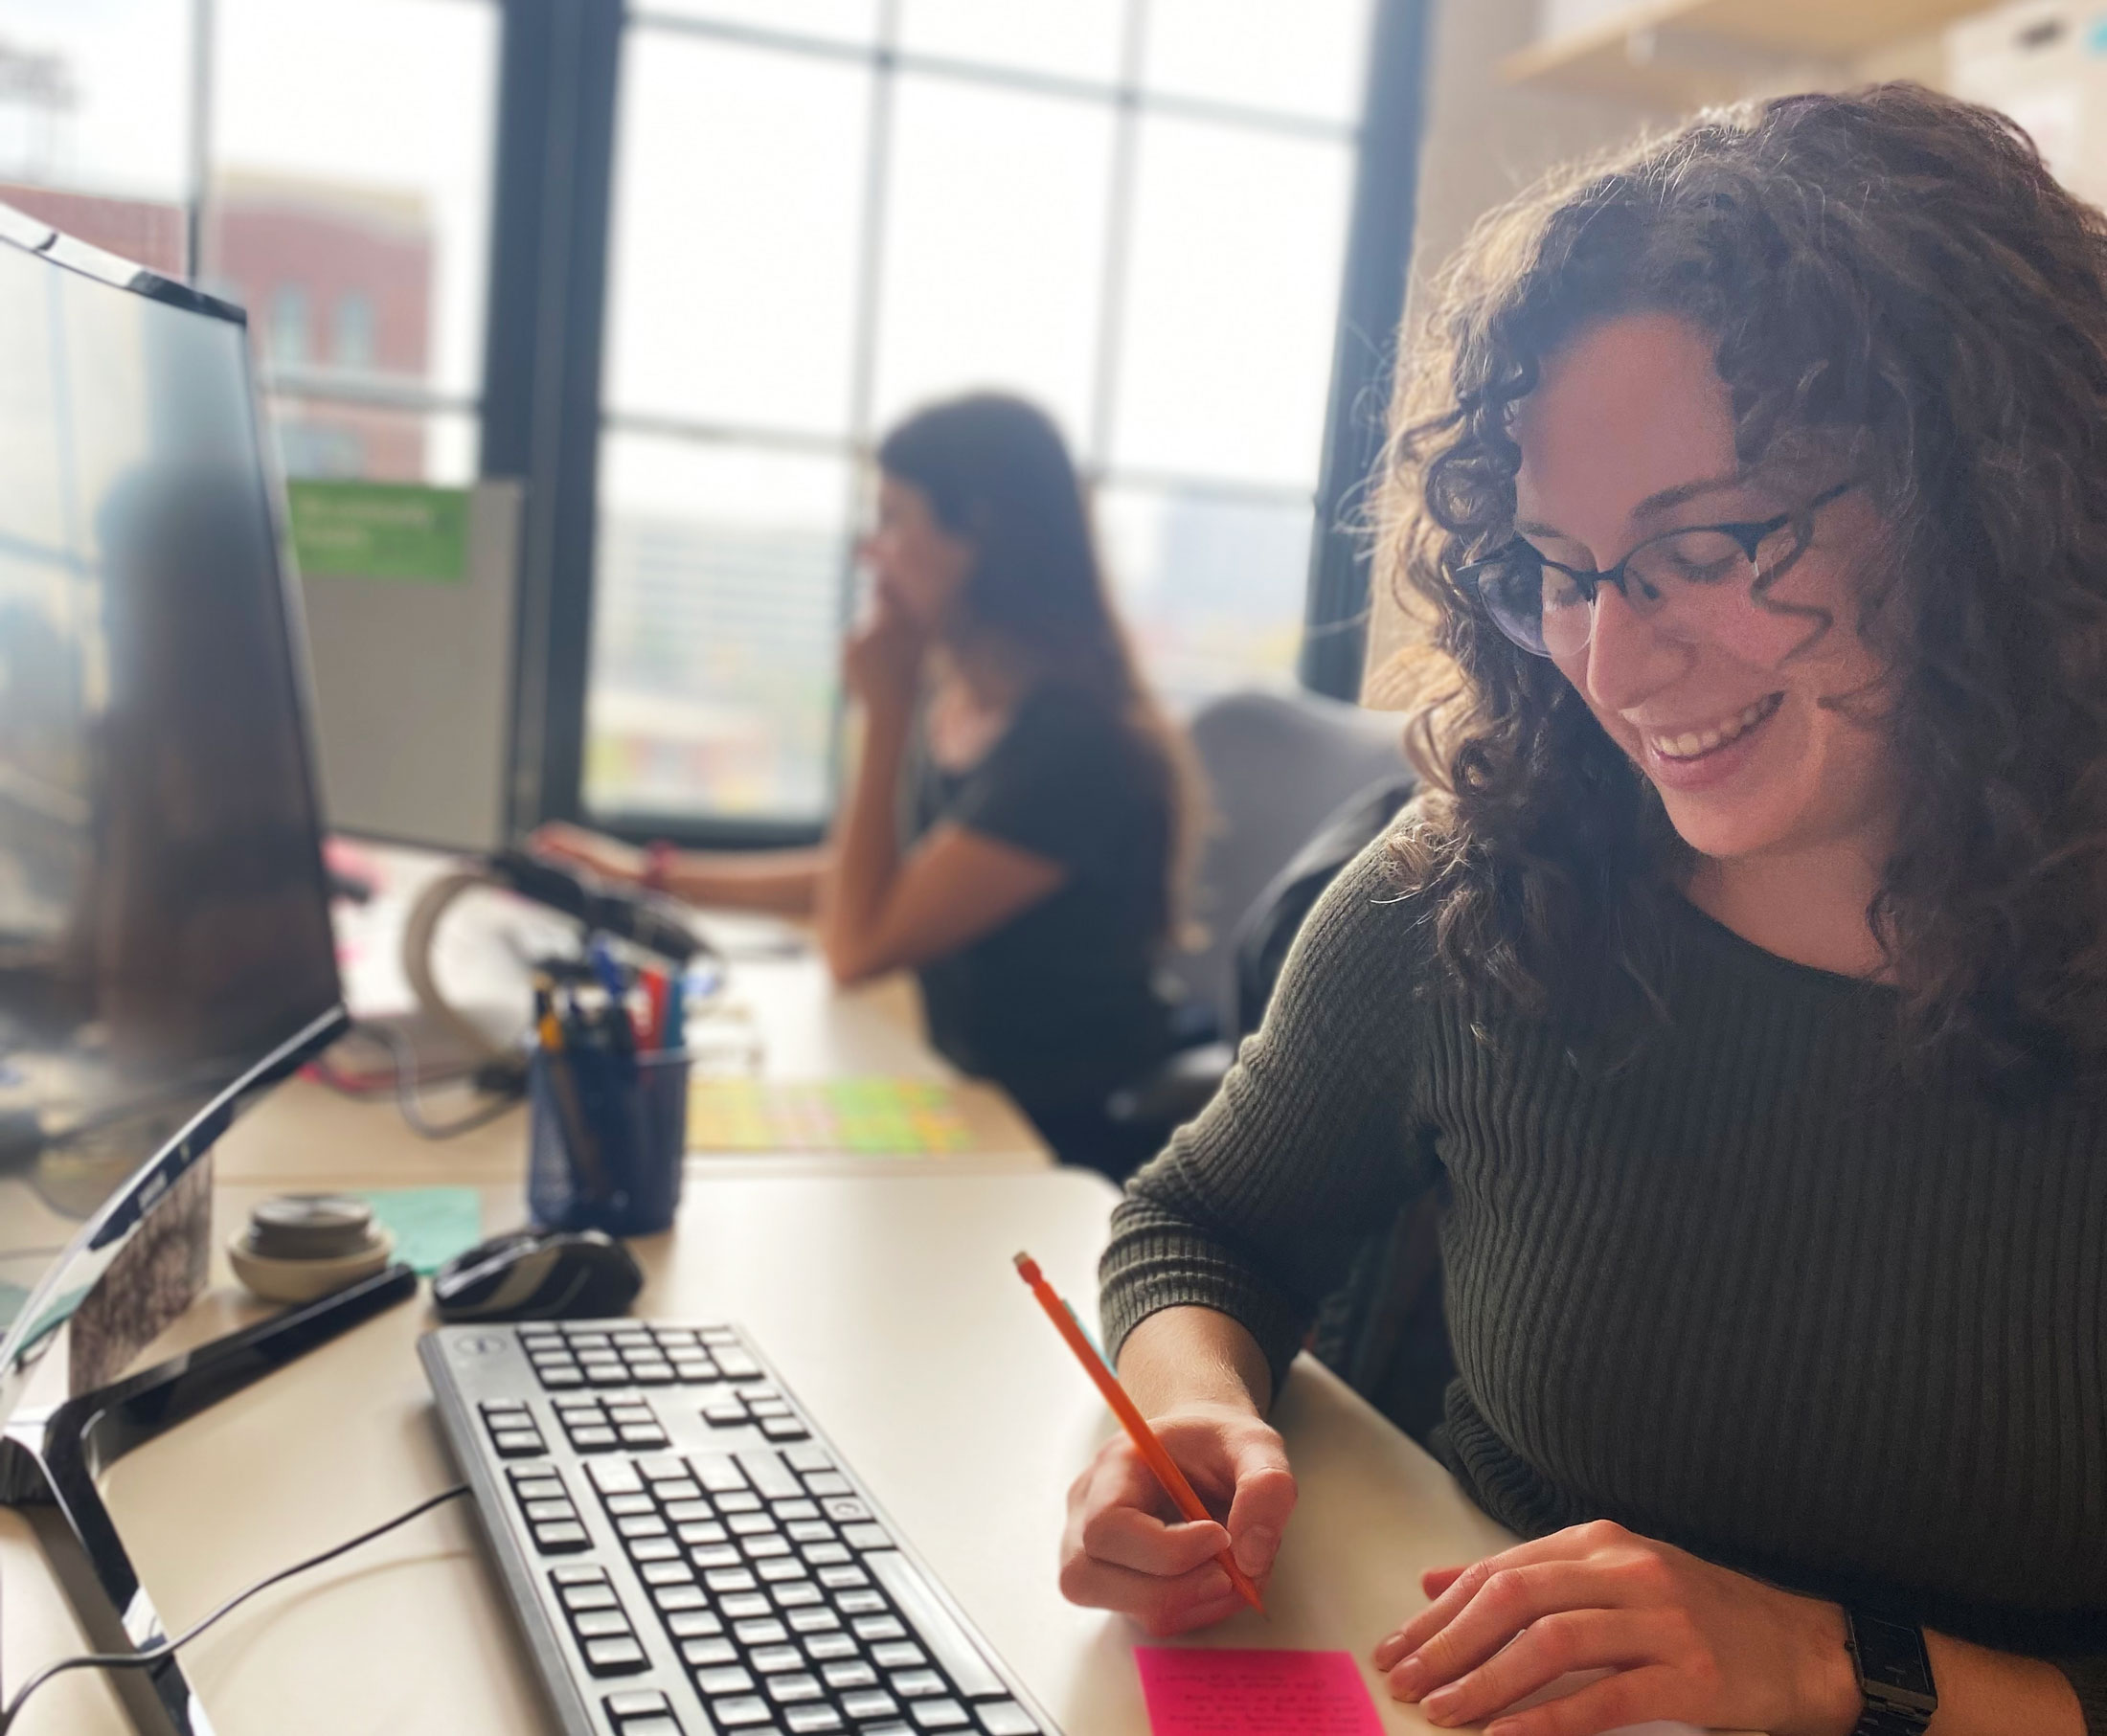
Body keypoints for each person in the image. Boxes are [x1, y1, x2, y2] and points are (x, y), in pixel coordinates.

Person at [1059, 84, 2107, 1736]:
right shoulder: (1472, 887)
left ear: (1992, 510)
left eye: (1707, 547)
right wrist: (1187, 1408)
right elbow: (1209, 1222)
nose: (1614, 666)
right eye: (1558, 564)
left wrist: (1828, 1663)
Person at [535, 393, 1196, 1179]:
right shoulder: (971, 702)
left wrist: (884, 715)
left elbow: (859, 944)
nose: (869, 551)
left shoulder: (1075, 747)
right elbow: (886, 878)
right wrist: (647, 879)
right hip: (963, 1093)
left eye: (892, 519)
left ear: (977, 534)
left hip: (1051, 1136)